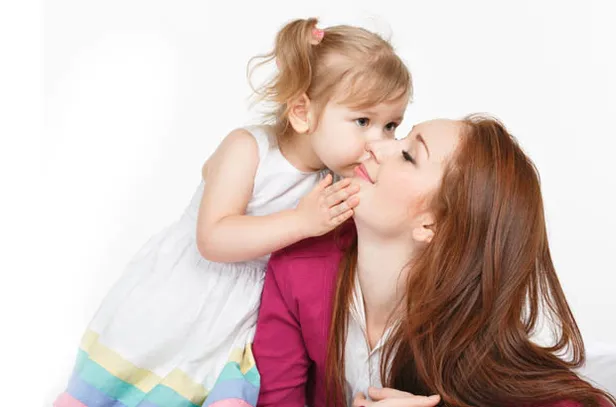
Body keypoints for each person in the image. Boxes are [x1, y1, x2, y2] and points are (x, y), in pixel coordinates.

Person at [53, 17, 412, 407]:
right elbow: (212, 238)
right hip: (193, 295)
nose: (379, 142)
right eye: (363, 121)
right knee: (132, 383)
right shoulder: (249, 149)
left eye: (391, 126)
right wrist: (300, 222)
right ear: (302, 112)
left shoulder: (336, 178)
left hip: (249, 317)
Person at [253, 115, 616, 407]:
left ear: (432, 225)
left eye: (408, 155)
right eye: (400, 136)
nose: (375, 145)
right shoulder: (295, 266)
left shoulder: (469, 340)